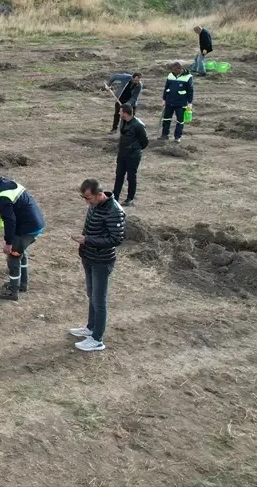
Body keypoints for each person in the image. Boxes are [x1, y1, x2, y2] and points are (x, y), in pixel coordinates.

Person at [70, 179, 126, 352]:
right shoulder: (94, 206)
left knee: (99, 300)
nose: (87, 202)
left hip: (102, 261)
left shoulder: (114, 211)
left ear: (99, 194)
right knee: (91, 294)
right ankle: (91, 327)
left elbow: (116, 239)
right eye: (84, 198)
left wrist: (87, 240)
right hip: (89, 256)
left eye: (88, 198)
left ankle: (97, 339)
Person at [0, 172, 46, 301]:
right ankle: (22, 284)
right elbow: (11, 206)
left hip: (26, 228)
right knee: (21, 252)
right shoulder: (7, 184)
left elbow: (10, 220)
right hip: (36, 223)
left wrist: (8, 242)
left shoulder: (2, 196)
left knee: (13, 256)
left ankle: (12, 291)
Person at [112, 104, 149, 206]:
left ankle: (130, 198)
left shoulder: (138, 125)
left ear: (125, 113)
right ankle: (115, 197)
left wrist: (135, 149)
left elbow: (145, 142)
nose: (119, 113)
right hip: (122, 154)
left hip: (133, 156)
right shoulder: (123, 121)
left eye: (120, 111)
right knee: (119, 175)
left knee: (131, 177)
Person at [160, 61, 194, 142]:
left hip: (181, 103)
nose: (173, 71)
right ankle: (165, 135)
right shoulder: (170, 75)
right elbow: (166, 88)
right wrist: (164, 99)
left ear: (180, 69)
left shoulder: (188, 77)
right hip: (169, 101)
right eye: (173, 69)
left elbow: (190, 90)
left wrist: (190, 103)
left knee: (180, 121)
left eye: (175, 70)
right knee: (166, 119)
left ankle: (177, 137)